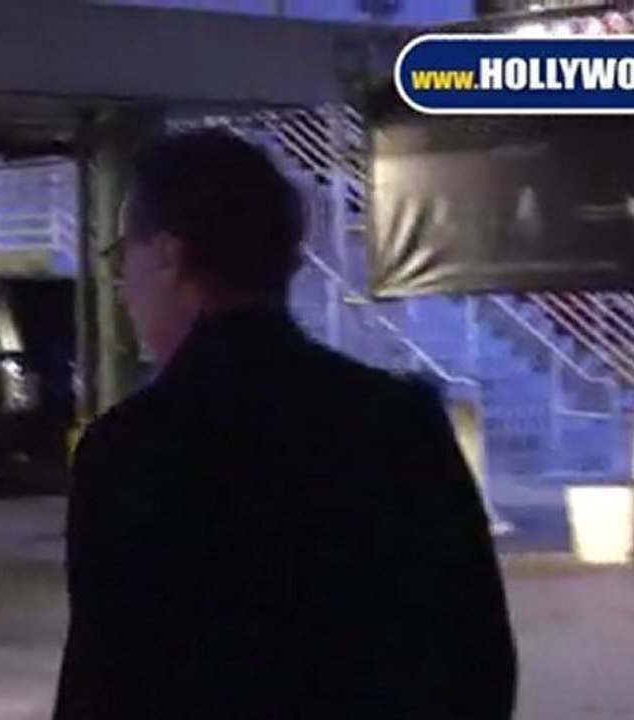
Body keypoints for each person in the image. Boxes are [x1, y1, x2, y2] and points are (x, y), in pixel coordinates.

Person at [54, 130, 517, 720]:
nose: (123, 287)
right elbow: (479, 660)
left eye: (124, 256)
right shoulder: (401, 422)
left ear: (170, 255)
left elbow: (104, 685)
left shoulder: (127, 450)